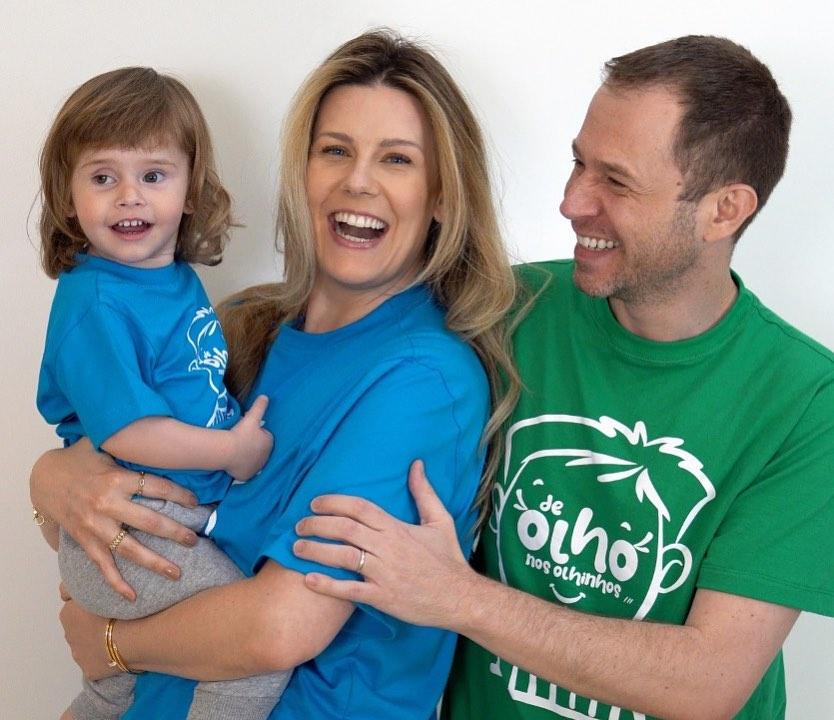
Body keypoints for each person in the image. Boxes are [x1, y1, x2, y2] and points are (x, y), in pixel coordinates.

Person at [291, 36, 834, 720]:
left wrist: (455, 596)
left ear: (724, 210)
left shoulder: (806, 401)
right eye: (579, 163)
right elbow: (326, 341)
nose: (573, 202)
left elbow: (708, 681)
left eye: (617, 182)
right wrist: (146, 446)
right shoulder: (507, 308)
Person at [30, 30, 519, 720]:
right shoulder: (239, 328)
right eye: (335, 151)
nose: (358, 181)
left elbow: (280, 626)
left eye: (397, 159)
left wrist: (110, 645)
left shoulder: (422, 381)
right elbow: (110, 491)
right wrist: (51, 480)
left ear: (442, 195)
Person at [35, 67, 285, 720]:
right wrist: (231, 452)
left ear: (190, 190)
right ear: (68, 196)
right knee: (250, 656)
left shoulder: (171, 279)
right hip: (130, 529)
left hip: (164, 522)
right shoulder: (96, 300)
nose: (129, 197)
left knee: (110, 693)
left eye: (152, 175)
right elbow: (129, 431)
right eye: (102, 177)